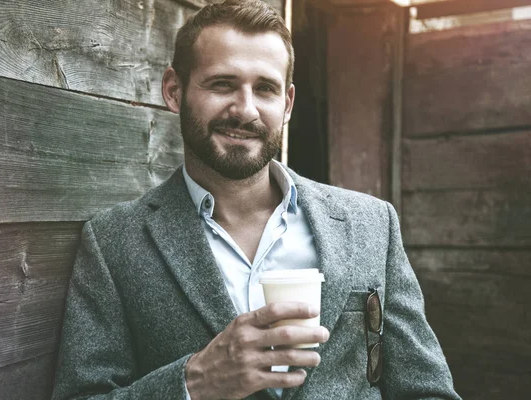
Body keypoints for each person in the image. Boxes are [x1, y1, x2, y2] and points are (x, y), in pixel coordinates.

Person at [52, 0, 461, 399]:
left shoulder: (373, 223)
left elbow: (426, 390)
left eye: (265, 88)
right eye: (222, 84)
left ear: (287, 104)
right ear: (174, 91)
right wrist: (195, 384)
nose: (245, 110)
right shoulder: (112, 243)